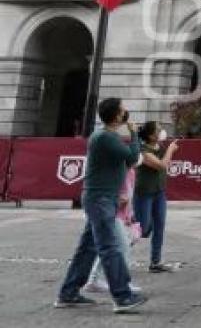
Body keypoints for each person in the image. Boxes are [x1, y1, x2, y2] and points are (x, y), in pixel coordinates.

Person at [55, 97, 147, 313]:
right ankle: (122, 296)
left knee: (88, 248)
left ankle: (68, 293)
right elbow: (132, 158)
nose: (126, 113)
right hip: (100, 200)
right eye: (124, 110)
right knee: (110, 247)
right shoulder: (105, 137)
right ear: (116, 115)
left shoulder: (107, 136)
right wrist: (134, 134)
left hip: (103, 199)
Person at [84, 160, 141, 293]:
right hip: (111, 212)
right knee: (122, 246)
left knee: (107, 246)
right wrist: (118, 200)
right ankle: (122, 285)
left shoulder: (130, 172)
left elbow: (129, 195)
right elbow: (115, 194)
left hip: (119, 213)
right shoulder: (118, 171)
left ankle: (94, 280)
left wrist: (129, 215)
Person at [134, 122, 179, 273]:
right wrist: (171, 150)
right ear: (151, 135)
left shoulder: (159, 147)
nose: (161, 132)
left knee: (160, 225)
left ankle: (156, 262)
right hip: (144, 193)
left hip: (159, 192)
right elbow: (161, 165)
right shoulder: (143, 150)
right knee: (144, 229)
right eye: (158, 130)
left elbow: (164, 163)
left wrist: (168, 150)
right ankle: (119, 248)